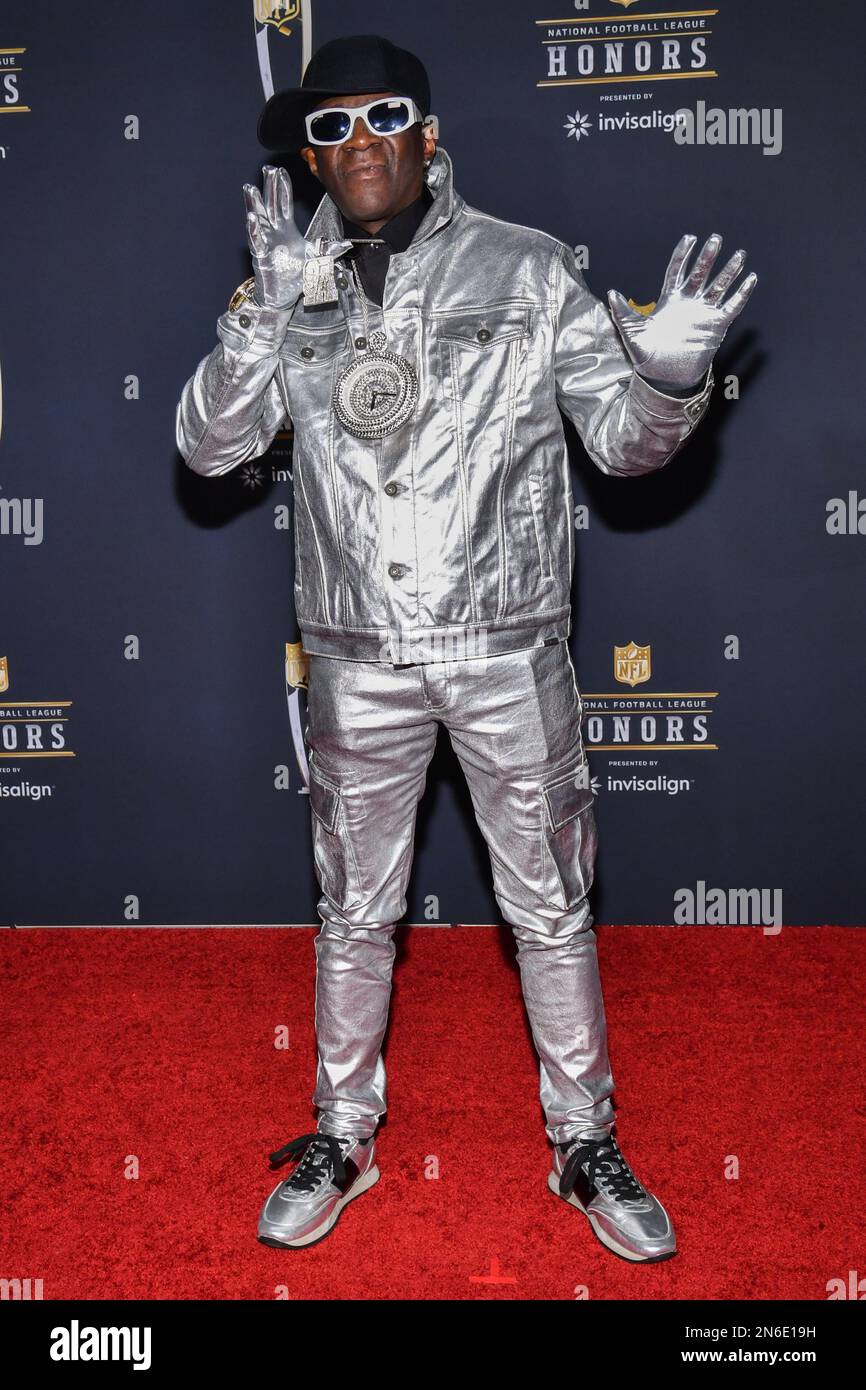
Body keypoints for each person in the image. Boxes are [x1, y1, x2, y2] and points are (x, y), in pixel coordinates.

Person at [175, 33, 756, 1261]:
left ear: (427, 133)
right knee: (353, 910)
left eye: (381, 115)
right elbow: (209, 447)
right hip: (354, 657)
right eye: (325, 129)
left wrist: (665, 383)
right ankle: (342, 1131)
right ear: (310, 162)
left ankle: (582, 1141)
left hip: (504, 652)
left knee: (549, 908)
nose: (357, 141)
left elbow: (621, 444)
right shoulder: (287, 283)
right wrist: (261, 316)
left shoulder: (531, 270)